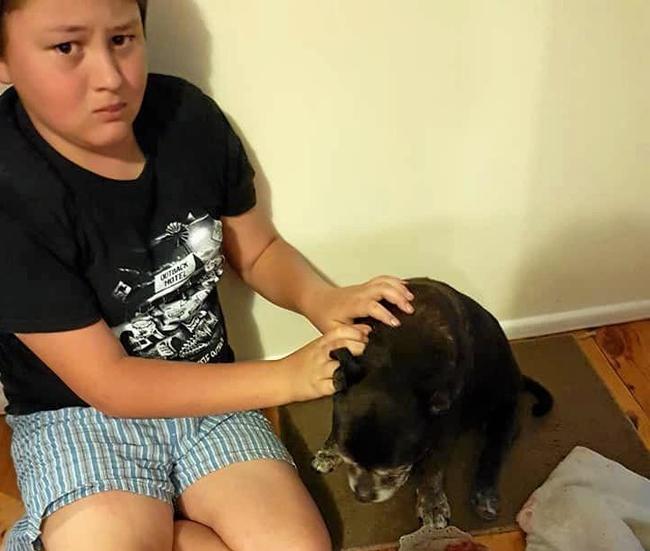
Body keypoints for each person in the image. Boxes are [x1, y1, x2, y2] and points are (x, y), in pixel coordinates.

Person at [0, 1, 415, 550]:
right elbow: (111, 383)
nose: (109, 78)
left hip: (211, 395)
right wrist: (286, 378)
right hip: (78, 416)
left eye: (123, 39)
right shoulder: (10, 190)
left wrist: (323, 299)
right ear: (3, 57)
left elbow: (258, 249)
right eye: (66, 48)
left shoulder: (186, 117)